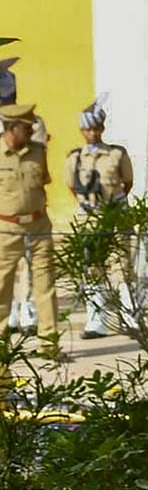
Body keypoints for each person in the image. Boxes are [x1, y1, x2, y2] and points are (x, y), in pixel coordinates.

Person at [68, 94, 135, 339]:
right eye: (87, 129)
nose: (92, 134)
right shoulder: (75, 157)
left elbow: (126, 183)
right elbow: (72, 187)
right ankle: (97, 323)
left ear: (102, 129)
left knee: (122, 269)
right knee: (93, 270)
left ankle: (130, 319)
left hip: (116, 217)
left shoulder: (116, 154)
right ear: (82, 131)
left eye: (96, 129)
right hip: (90, 219)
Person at [0, 105, 57, 351]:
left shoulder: (38, 152)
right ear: (11, 129)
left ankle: (49, 342)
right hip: (6, 227)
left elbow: (44, 180)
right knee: (2, 285)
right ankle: (1, 347)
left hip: (39, 224)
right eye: (26, 127)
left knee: (45, 283)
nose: (32, 130)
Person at [0, 54, 42, 335]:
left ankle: (25, 309)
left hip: (33, 218)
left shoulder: (31, 124)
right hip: (5, 219)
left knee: (36, 276)